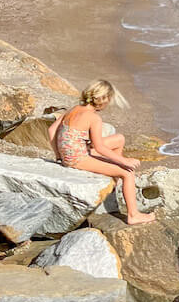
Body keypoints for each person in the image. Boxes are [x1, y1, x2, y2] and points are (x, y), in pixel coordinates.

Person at [49, 80, 155, 225]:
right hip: (78, 158)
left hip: (73, 152)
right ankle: (133, 215)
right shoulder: (94, 118)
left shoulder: (74, 109)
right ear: (102, 99)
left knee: (119, 139)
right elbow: (99, 147)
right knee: (128, 172)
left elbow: (51, 130)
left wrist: (59, 155)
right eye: (108, 99)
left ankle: (114, 181)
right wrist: (124, 162)